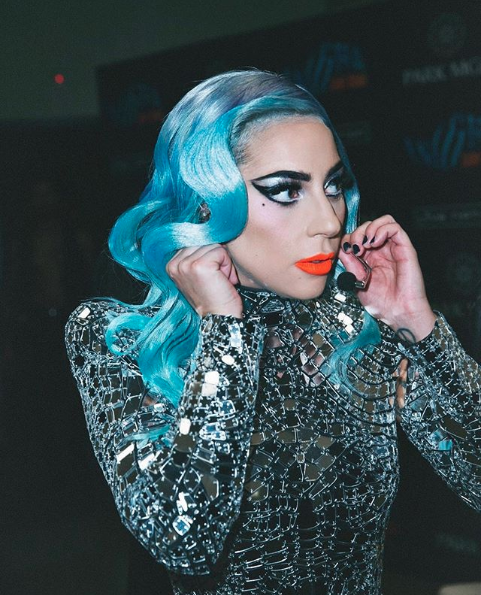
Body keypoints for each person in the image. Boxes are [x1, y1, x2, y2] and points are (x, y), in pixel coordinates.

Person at [65, 70, 481, 594]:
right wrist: (223, 331)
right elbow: (183, 540)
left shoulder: (357, 325)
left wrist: (417, 324)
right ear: (205, 202)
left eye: (332, 185)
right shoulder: (118, 338)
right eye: (285, 190)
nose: (329, 221)